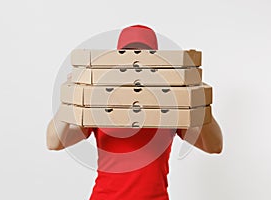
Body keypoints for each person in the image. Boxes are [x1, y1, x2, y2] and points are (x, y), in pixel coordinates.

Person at [46, 25, 223, 200]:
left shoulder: (172, 104)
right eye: (129, 54)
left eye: (144, 55)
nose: (136, 64)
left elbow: (214, 147)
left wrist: (198, 97)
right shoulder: (100, 102)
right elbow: (54, 142)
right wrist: (72, 95)